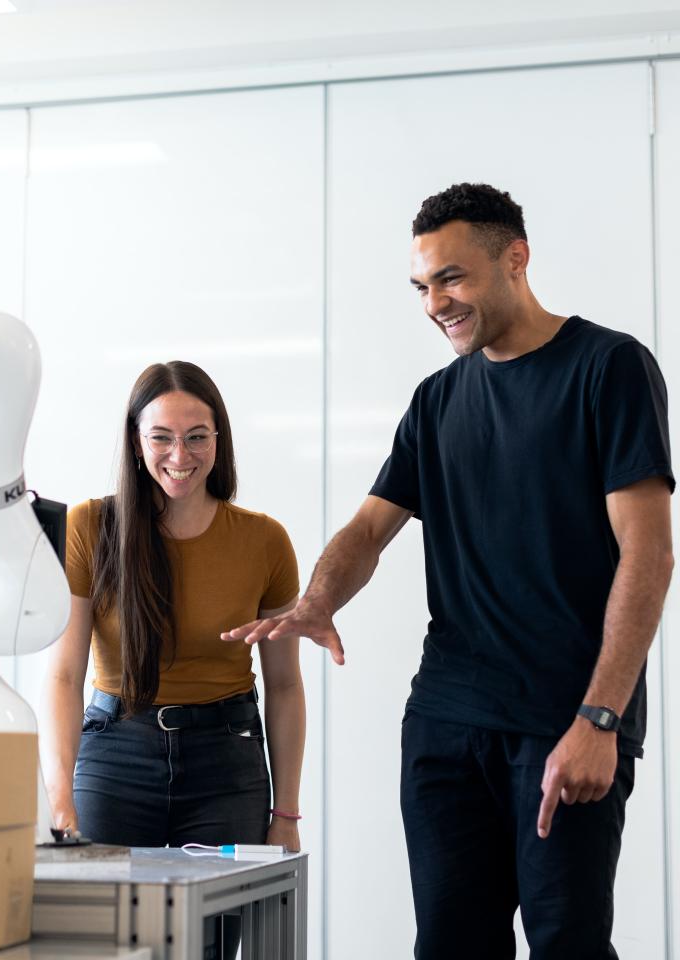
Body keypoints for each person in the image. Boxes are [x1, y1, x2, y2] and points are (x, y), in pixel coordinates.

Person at [223, 183, 674, 959]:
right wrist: (318, 599)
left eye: (452, 278)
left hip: (563, 721)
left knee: (567, 943)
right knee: (450, 945)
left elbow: (650, 554)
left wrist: (601, 719)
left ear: (515, 260)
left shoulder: (609, 368)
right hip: (446, 722)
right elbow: (370, 527)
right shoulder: (437, 401)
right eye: (423, 285)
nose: (435, 302)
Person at [40, 360, 305, 955]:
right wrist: (61, 802)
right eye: (160, 437)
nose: (178, 455)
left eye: (196, 437)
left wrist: (285, 811)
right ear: (137, 444)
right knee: (103, 946)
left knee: (206, 948)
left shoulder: (265, 540)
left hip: (226, 763)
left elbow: (284, 686)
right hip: (115, 756)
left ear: (219, 441)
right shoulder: (90, 526)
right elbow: (63, 673)